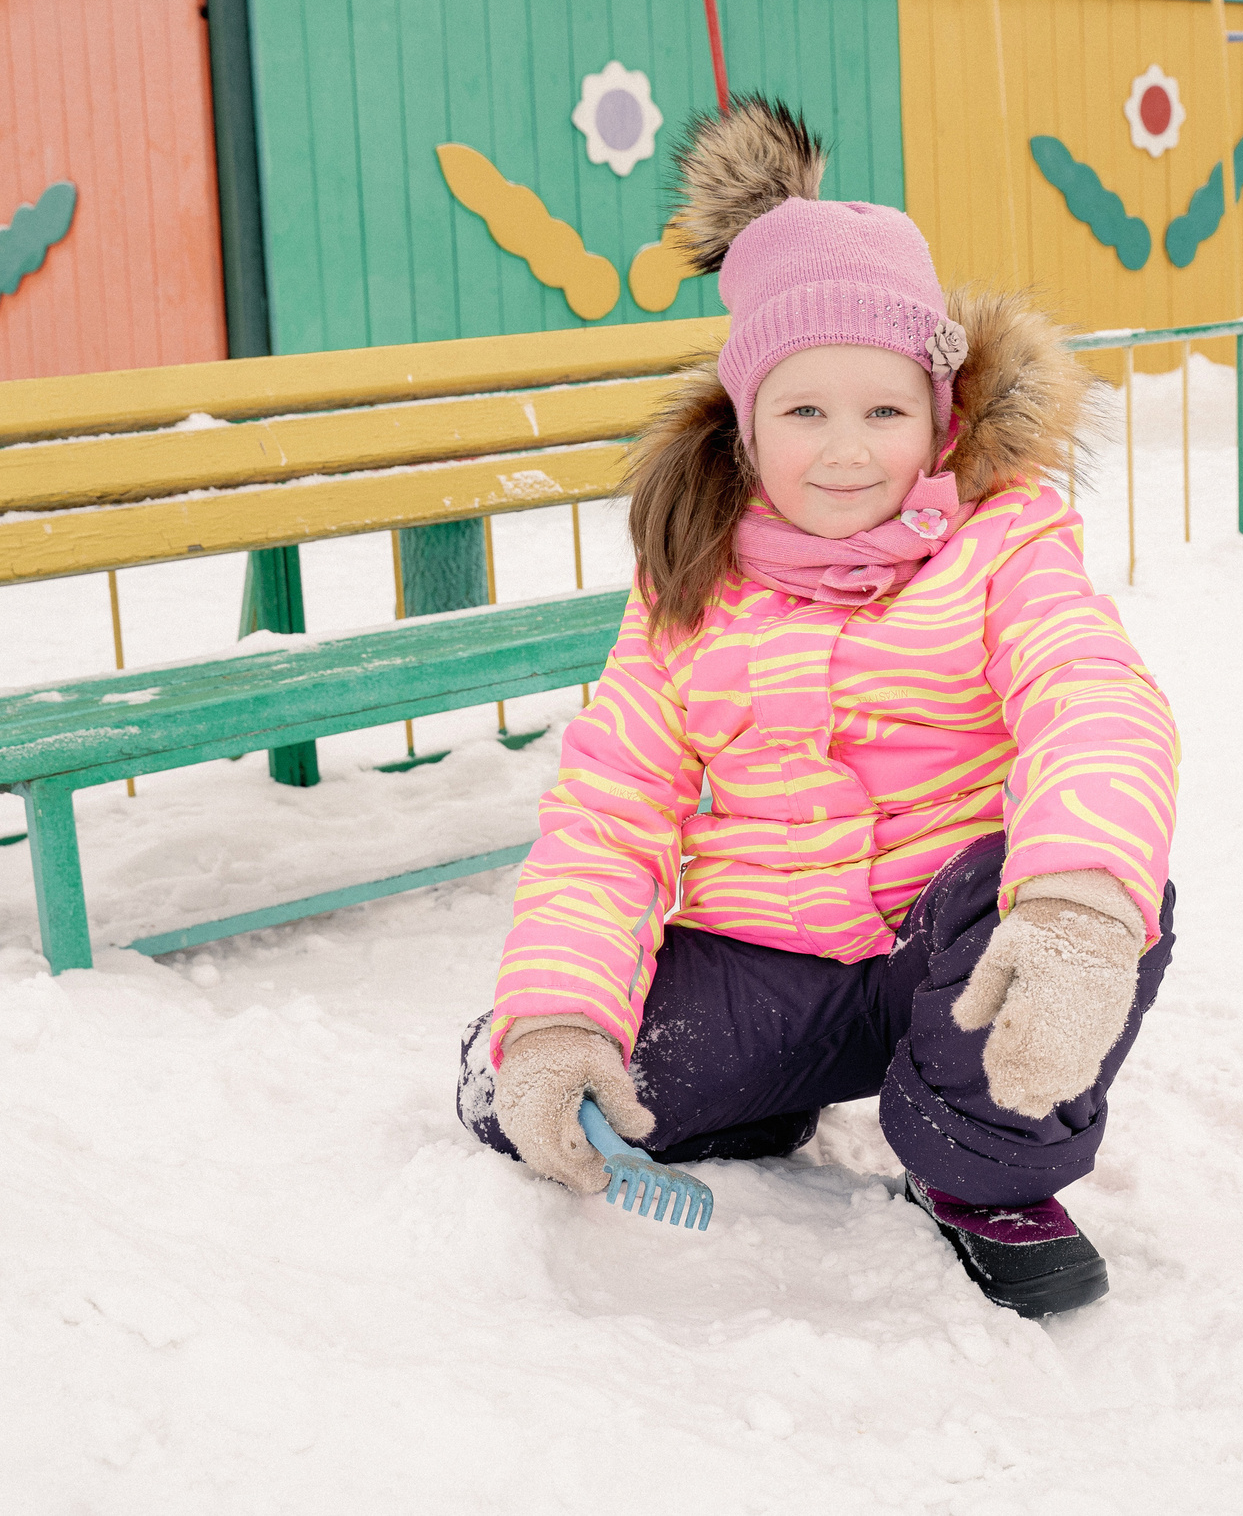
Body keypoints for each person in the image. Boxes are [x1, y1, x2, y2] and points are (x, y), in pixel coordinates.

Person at [456, 96, 1179, 1318]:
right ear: (744, 429)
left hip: (944, 958)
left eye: (885, 410)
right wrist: (558, 1020)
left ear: (941, 419)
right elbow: (609, 811)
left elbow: (1091, 695)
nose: (847, 450)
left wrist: (1081, 902)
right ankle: (755, 1087)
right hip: (766, 957)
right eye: (804, 411)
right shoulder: (689, 583)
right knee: (539, 1107)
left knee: (1102, 891)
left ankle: (978, 1171)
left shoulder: (1005, 546)